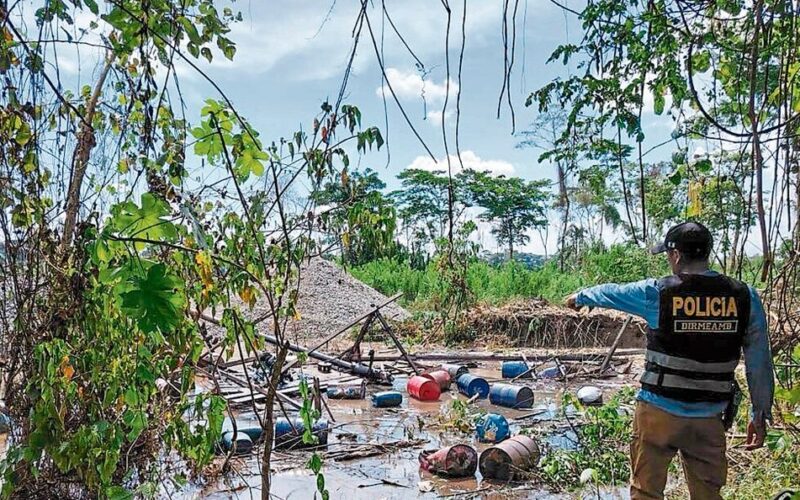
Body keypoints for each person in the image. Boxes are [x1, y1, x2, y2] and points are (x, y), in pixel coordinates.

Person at [565, 222, 774, 500]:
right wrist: (760, 413)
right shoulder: (745, 297)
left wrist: (580, 296)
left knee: (646, 493)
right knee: (708, 495)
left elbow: (613, 292)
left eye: (667, 254)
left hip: (657, 415)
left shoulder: (658, 292)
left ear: (675, 255)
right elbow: (759, 361)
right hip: (708, 418)